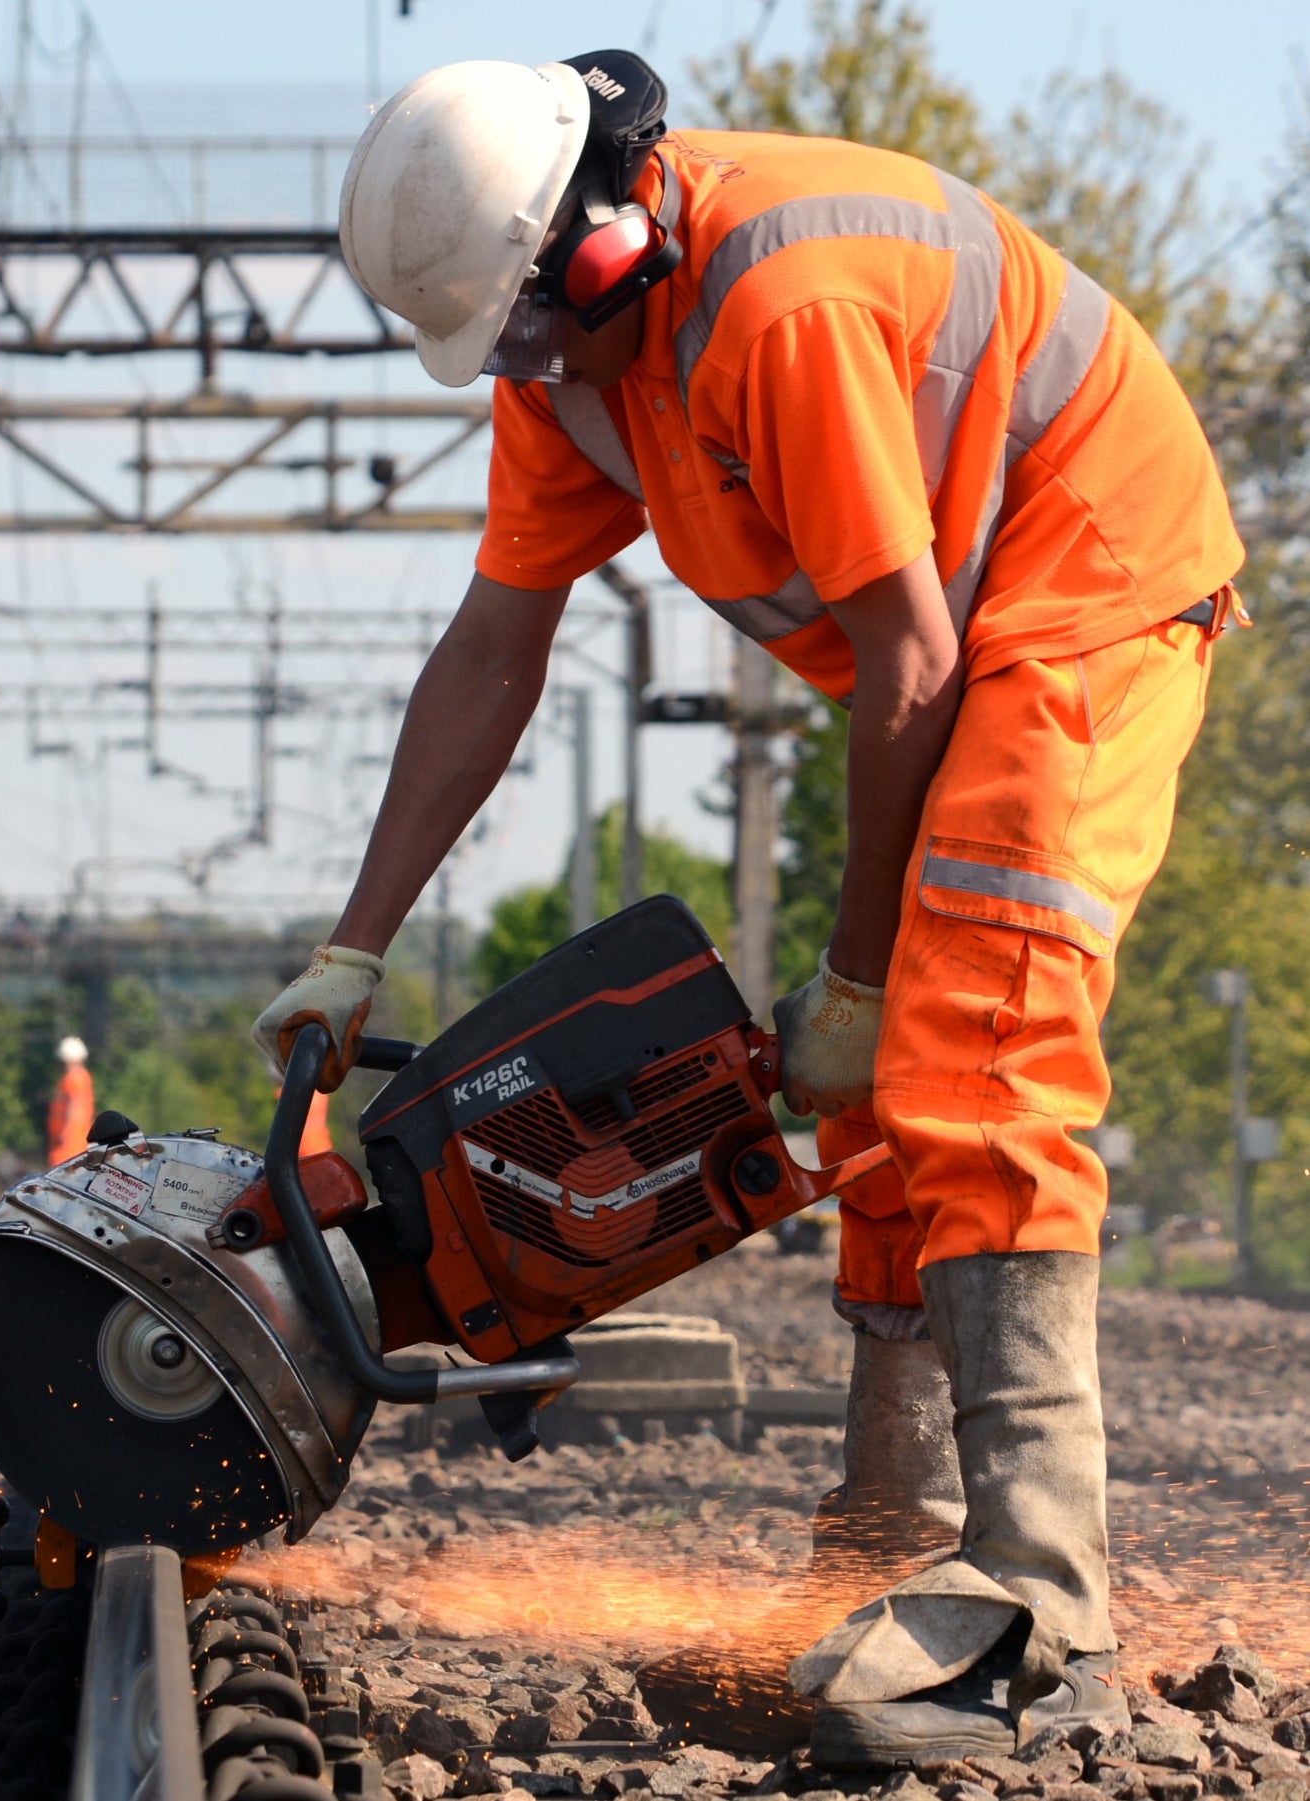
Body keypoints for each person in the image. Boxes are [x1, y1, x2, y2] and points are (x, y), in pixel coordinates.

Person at [256, 50, 1240, 1766]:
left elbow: (911, 657)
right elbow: (492, 650)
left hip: (1078, 592)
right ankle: (878, 1548)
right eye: (493, 346)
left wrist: (856, 972)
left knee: (972, 1046)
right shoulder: (567, 375)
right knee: (880, 1094)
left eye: (526, 326)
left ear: (598, 245)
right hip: (934, 650)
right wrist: (355, 943)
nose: (516, 367)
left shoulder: (772, 302)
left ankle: (1042, 1610)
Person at [45, 1036, 94, 1166]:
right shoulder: (80, 1078)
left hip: (69, 1143)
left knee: (60, 1175)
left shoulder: (74, 1079)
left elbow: (74, 1106)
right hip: (72, 1140)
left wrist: (64, 1133)